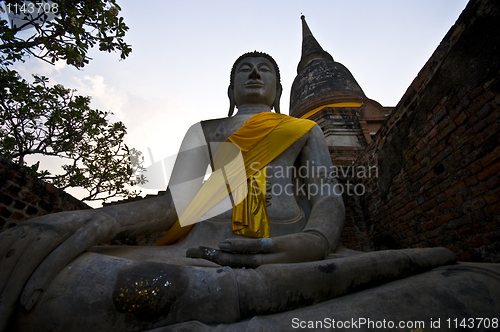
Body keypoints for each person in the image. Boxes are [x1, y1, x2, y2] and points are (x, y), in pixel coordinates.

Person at [0, 52, 347, 331]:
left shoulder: (304, 129)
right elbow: (175, 204)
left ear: (279, 90)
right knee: (58, 287)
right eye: (245, 70)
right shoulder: (205, 130)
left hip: (290, 246)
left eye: (264, 71)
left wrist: (316, 239)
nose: (254, 74)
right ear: (230, 91)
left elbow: (327, 196)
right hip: (202, 249)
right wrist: (107, 219)